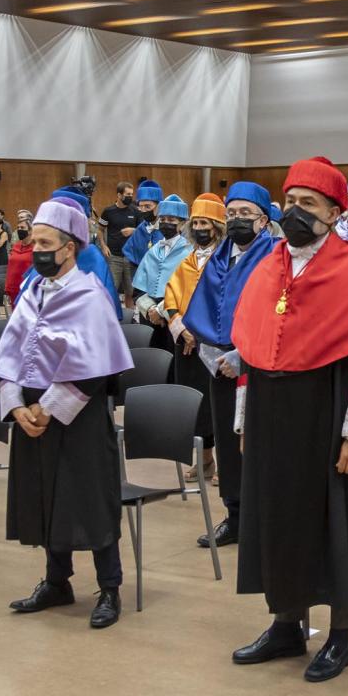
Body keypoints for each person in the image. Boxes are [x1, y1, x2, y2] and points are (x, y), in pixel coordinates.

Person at [226, 158, 348, 682]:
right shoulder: (267, 266)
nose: (296, 212)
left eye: (309, 204)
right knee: (278, 517)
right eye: (291, 201)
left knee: (332, 523)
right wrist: (245, 422)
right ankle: (286, 623)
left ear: (334, 212)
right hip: (271, 417)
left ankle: (341, 633)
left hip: (327, 417)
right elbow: (251, 348)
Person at [0, 198, 134, 626]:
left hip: (78, 415)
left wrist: (47, 409)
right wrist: (16, 405)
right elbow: (10, 353)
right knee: (45, 496)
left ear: (69, 247)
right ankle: (57, 580)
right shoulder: (32, 291)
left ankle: (109, 587)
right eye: (33, 241)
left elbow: (94, 370)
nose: (35, 249)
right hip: (32, 414)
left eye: (44, 242)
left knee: (89, 499)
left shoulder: (89, 295)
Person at [181, 182, 279, 548]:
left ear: (263, 221)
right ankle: (234, 515)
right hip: (217, 362)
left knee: (255, 440)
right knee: (225, 437)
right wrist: (212, 353)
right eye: (232, 214)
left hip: (257, 366)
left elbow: (276, 313)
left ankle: (263, 516)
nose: (237, 221)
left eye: (245, 214)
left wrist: (243, 357)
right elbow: (204, 308)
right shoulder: (221, 255)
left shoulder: (274, 256)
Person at [164, 193, 226, 482]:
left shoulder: (226, 261)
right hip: (186, 342)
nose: (200, 227)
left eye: (205, 223)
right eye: (196, 222)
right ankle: (204, 459)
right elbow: (171, 294)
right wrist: (179, 326)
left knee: (219, 403)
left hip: (213, 342)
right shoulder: (188, 261)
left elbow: (224, 301)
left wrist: (199, 332)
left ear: (216, 227)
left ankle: (227, 462)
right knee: (196, 403)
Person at [132, 195, 192, 348]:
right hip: (150, 317)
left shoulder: (190, 252)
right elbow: (138, 289)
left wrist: (161, 311)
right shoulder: (153, 251)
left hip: (176, 316)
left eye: (172, 220)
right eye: (163, 219)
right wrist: (151, 309)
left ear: (182, 224)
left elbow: (188, 290)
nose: (166, 223)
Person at [99, 180, 145, 310]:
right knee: (112, 289)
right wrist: (103, 246)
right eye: (127, 194)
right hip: (114, 257)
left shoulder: (136, 211)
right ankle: (112, 316)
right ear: (119, 195)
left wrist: (133, 231)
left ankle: (130, 317)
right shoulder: (108, 211)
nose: (130, 197)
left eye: (132, 194)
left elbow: (144, 230)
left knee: (131, 291)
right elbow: (100, 230)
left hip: (131, 259)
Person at [4, 209, 35, 305]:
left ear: (30, 231)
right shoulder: (16, 245)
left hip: (27, 288)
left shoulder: (36, 247)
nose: (19, 230)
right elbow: (10, 267)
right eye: (18, 227)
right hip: (13, 288)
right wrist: (7, 287)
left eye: (22, 227)